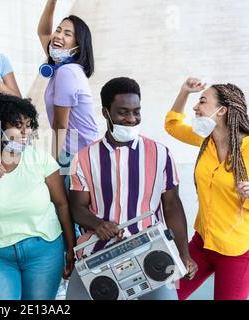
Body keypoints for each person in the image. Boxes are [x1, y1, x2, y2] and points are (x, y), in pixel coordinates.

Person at [66, 77, 198, 300]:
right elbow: (77, 207)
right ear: (106, 112)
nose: (131, 119)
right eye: (122, 112)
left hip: (153, 252)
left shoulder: (160, 153)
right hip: (99, 253)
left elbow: (172, 206)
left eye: (136, 112)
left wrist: (184, 254)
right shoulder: (84, 157)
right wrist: (98, 224)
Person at [0, 94, 76, 300]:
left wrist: (71, 248)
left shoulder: (41, 158)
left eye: (29, 125)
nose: (24, 132)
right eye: (17, 125)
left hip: (45, 252)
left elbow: (62, 205)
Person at [165, 77, 249, 300]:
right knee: (165, 294)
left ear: (221, 111)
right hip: (201, 244)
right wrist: (184, 92)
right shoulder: (206, 140)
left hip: (237, 252)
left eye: (202, 101)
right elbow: (172, 125)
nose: (195, 107)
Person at [37, 0, 99, 169]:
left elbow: (60, 124)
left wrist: (54, 163)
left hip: (77, 156)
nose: (58, 36)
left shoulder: (67, 72)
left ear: (78, 47)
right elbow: (43, 32)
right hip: (76, 151)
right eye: (58, 30)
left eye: (67, 34)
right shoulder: (61, 65)